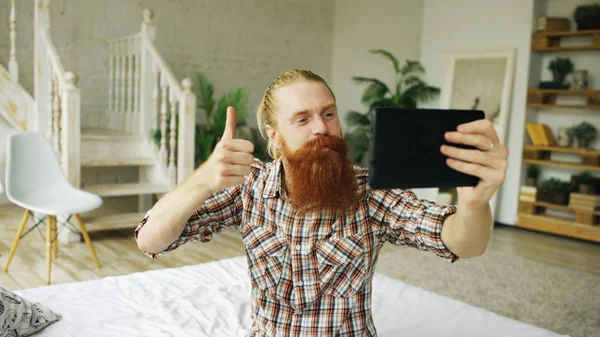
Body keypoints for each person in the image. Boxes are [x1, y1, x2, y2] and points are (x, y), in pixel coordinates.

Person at [134, 68, 509, 336]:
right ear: (275, 136)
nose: (321, 127)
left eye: (328, 113)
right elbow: (150, 240)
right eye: (302, 119)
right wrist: (202, 180)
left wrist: (475, 203)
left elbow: (464, 243)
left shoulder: (369, 193)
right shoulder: (250, 188)